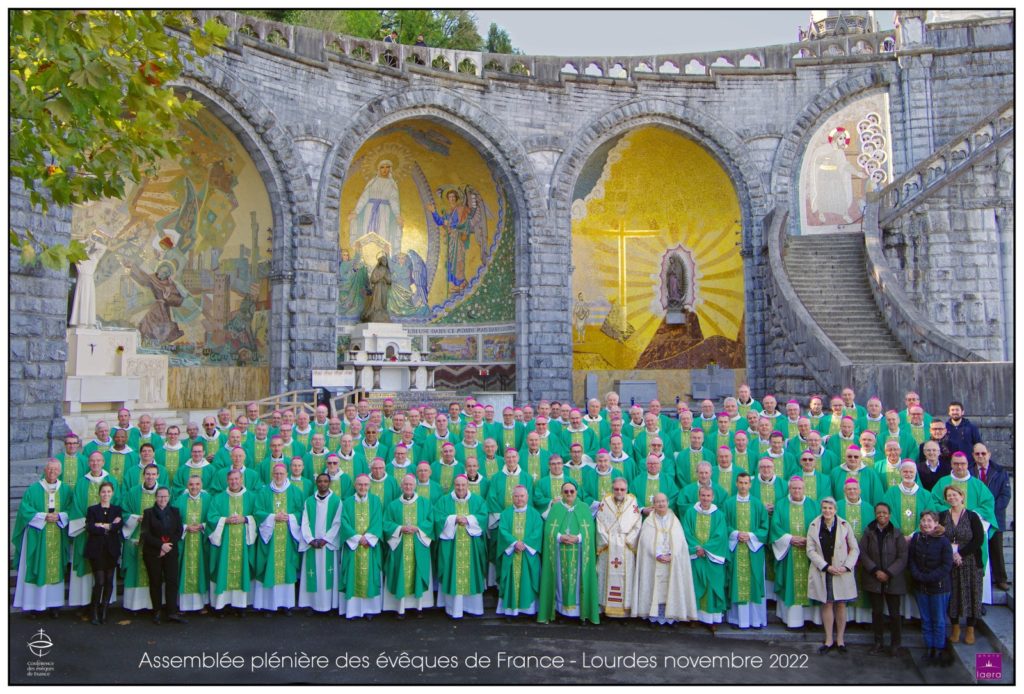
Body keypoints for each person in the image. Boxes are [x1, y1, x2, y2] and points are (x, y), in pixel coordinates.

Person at [13, 459, 72, 618]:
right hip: (37, 535)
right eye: (49, 469)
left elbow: (71, 509)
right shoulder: (33, 489)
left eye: (55, 469)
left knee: (55, 567)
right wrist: (44, 516)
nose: (52, 472)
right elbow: (25, 510)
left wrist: (59, 516)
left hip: (57, 534)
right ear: (45, 470)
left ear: (60, 471)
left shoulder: (65, 489)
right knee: (36, 566)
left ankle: (54, 606)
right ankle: (34, 606)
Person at [537, 481, 600, 625]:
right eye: (566, 492)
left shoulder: (584, 507)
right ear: (561, 493)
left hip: (579, 553)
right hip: (560, 552)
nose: (569, 494)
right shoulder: (556, 508)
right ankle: (562, 612)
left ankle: (581, 613)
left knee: (579, 581)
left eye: (572, 491)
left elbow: (590, 530)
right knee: (560, 581)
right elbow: (548, 530)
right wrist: (559, 537)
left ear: (576, 492)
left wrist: (578, 538)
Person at [632, 493, 698, 625]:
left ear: (668, 502)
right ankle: (654, 616)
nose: (661, 504)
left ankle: (670, 616)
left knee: (670, 588)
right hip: (654, 560)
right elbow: (645, 540)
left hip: (671, 561)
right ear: (653, 504)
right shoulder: (649, 521)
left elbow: (680, 541)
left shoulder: (675, 520)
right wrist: (656, 554)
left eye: (663, 501)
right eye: (657, 502)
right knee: (654, 588)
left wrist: (672, 554)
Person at [806, 497, 859, 653]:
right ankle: (829, 639)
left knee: (841, 604)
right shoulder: (814, 525)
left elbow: (854, 548)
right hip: (824, 571)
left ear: (835, 510)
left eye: (830, 508)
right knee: (827, 603)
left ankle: (840, 640)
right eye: (824, 508)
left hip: (841, 571)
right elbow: (810, 550)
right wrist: (825, 566)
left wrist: (847, 566)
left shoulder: (844, 525)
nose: (827, 511)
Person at [253, 463, 304, 615]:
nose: (279, 476)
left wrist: (290, 517)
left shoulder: (295, 491)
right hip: (270, 537)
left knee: (287, 569)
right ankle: (269, 605)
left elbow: (301, 512)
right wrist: (273, 517)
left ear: (286, 474)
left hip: (288, 536)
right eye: (276, 474)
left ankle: (286, 605)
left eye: (281, 473)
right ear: (272, 474)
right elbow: (257, 511)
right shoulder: (263, 492)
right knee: (269, 568)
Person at [434, 475, 488, 618]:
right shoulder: (444, 500)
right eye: (458, 485)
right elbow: (438, 518)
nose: (460, 488)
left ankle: (473, 608)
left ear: (468, 485)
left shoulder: (477, 500)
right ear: (454, 485)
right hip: (451, 545)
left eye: (463, 485)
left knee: (472, 573)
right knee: (451, 571)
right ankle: (453, 609)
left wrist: (468, 519)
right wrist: (453, 519)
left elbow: (483, 516)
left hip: (472, 545)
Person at [859, 502, 908, 655]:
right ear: (875, 514)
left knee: (894, 613)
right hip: (874, 578)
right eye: (879, 512)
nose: (882, 515)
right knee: (877, 612)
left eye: (885, 512)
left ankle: (895, 644)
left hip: (893, 579)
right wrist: (875, 570)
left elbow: (902, 557)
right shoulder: (868, 532)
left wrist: (888, 572)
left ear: (890, 515)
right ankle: (878, 642)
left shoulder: (897, 533)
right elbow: (863, 553)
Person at [771, 477, 820, 628]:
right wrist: (790, 538)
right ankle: (792, 620)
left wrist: (809, 540)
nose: (796, 491)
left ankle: (810, 619)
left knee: (811, 584)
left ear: (804, 489)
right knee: (790, 583)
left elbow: (819, 525)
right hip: (789, 551)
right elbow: (775, 527)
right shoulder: (781, 505)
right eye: (793, 488)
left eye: (799, 488)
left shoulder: (813, 504)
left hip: (808, 552)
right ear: (789, 489)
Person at [938, 485, 985, 645]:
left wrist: (961, 554)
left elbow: (978, 540)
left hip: (970, 561)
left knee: (972, 593)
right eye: (949, 496)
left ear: (961, 496)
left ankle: (970, 629)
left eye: (955, 495)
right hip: (950, 561)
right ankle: (955, 627)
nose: (952, 498)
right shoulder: (943, 516)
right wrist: (951, 555)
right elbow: (940, 536)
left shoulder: (972, 516)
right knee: (953, 595)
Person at [383, 474, 434, 618]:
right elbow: (386, 523)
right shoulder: (393, 505)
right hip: (400, 546)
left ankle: (419, 608)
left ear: (415, 485)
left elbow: (431, 521)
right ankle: (400, 608)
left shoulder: (425, 503)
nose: (408, 487)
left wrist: (418, 528)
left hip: (419, 545)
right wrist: (399, 529)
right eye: (405, 484)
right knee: (401, 574)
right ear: (401, 486)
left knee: (417, 573)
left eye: (411, 484)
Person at [207, 469, 258, 615]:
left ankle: (240, 605)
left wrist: (246, 519)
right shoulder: (218, 498)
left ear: (241, 479)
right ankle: (221, 605)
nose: (234, 482)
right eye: (231, 480)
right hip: (224, 544)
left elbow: (257, 515)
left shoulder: (251, 497)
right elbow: (211, 517)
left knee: (242, 569)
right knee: (223, 569)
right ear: (227, 481)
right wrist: (225, 520)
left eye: (237, 479)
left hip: (243, 543)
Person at [724, 472, 770, 628]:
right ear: (736, 484)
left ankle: (755, 620)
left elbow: (765, 527)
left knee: (754, 582)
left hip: (753, 550)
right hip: (735, 548)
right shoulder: (728, 503)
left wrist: (750, 535)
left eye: (746, 483)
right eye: (740, 483)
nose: (743, 486)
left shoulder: (757, 504)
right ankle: (737, 620)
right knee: (736, 582)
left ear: (750, 485)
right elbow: (723, 524)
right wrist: (736, 534)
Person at [908, 511, 953, 666]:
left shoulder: (943, 541)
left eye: (929, 521)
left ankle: (939, 648)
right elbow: (911, 559)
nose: (926, 523)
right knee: (926, 620)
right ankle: (929, 648)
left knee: (939, 620)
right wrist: (917, 575)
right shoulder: (917, 538)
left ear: (936, 523)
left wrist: (928, 577)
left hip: (939, 587)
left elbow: (946, 565)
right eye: (923, 521)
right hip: (921, 586)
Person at [682, 485, 730, 630]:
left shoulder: (719, 515)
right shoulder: (690, 512)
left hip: (712, 558)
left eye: (708, 496)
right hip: (695, 556)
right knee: (695, 585)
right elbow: (686, 532)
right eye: (703, 495)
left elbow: (720, 535)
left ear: (713, 497)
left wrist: (706, 549)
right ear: (699, 496)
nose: (705, 498)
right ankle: (694, 617)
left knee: (712, 586)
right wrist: (696, 548)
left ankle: (712, 619)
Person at [594, 478, 642, 618]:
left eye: (622, 489)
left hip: (626, 547)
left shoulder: (632, 502)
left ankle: (625, 611)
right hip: (608, 546)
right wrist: (608, 540)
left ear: (626, 490)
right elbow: (599, 522)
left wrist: (628, 540)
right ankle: (604, 608)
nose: (619, 492)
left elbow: (637, 523)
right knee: (604, 576)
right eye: (616, 489)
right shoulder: (606, 501)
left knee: (627, 578)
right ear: (612, 489)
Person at [338, 474, 384, 619]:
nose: (363, 487)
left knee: (371, 575)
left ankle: (370, 610)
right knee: (352, 574)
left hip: (370, 546)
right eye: (360, 485)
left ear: (369, 486)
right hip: (353, 546)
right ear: (355, 486)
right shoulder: (347, 502)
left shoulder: (376, 501)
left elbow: (378, 521)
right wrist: (358, 538)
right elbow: (344, 522)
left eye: (365, 485)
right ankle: (353, 610)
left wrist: (368, 538)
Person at [496, 485, 544, 618]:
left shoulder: (534, 514)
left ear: (527, 497)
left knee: (528, 580)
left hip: (528, 554)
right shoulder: (506, 513)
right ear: (512, 498)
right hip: (511, 553)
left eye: (522, 496)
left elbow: (538, 531)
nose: (519, 499)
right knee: (510, 580)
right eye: (516, 496)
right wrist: (514, 543)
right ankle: (511, 611)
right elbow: (503, 530)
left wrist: (525, 544)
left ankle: (529, 610)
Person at [140, 486, 187, 624]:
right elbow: (145, 534)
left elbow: (178, 531)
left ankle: (172, 612)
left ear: (169, 497)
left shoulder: (175, 511)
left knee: (172, 581)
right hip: (153, 552)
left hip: (170, 552)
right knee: (155, 581)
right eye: (160, 496)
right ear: (156, 497)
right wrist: (160, 546)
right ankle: (157, 611)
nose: (163, 499)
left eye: (165, 496)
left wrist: (167, 547)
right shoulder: (148, 513)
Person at [969, 443, 1011, 591]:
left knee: (996, 549)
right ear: (973, 455)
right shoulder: (969, 472)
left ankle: (1001, 579)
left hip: (994, 517)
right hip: (975, 517)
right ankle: (978, 579)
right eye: (977, 454)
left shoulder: (1000, 472)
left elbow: (1005, 495)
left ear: (989, 454)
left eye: (983, 453)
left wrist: (989, 512)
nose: (980, 456)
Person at [299, 473, 342, 614]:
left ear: (329, 483)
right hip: (312, 544)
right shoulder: (309, 501)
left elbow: (337, 523)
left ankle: (329, 605)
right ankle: (312, 604)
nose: (322, 484)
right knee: (312, 574)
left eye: (325, 481)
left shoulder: (336, 501)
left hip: (327, 545)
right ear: (316, 483)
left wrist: (326, 539)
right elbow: (304, 522)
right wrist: (310, 539)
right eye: (320, 481)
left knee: (327, 575)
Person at [121, 464, 161, 613]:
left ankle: (154, 604)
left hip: (155, 539)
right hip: (136, 535)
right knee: (135, 569)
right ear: (143, 475)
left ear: (158, 475)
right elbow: (124, 511)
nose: (150, 477)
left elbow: (169, 511)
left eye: (153, 474)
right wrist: (136, 518)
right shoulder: (133, 492)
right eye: (148, 474)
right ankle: (135, 604)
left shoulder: (163, 492)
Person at [83, 481, 122, 624]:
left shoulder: (117, 509)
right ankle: (94, 610)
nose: (106, 494)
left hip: (111, 549)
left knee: (109, 580)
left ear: (112, 493)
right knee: (99, 581)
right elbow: (90, 527)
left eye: (108, 492)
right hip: (96, 550)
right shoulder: (92, 509)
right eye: (103, 492)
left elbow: (118, 527)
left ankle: (104, 609)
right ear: (99, 493)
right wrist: (109, 525)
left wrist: (102, 525)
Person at [173, 475, 212, 613]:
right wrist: (185, 527)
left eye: (197, 484)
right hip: (185, 541)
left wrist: (202, 526)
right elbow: (174, 521)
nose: (194, 487)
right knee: (184, 569)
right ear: (187, 485)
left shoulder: (208, 499)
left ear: (201, 485)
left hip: (202, 541)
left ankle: (201, 604)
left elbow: (213, 518)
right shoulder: (180, 500)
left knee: (201, 568)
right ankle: (183, 605)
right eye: (191, 484)